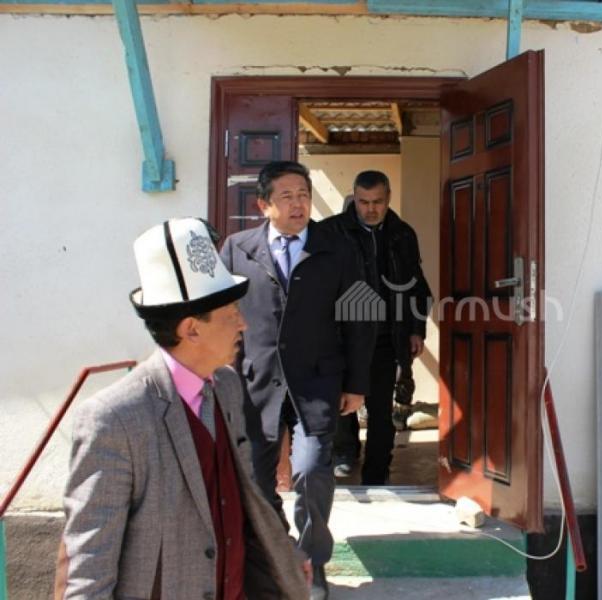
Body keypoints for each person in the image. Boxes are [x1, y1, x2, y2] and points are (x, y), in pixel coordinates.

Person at [57, 218, 309, 599]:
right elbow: (89, 567)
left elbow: (243, 496)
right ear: (191, 329)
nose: (243, 324)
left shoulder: (226, 387)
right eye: (231, 313)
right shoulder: (114, 419)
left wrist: (283, 552)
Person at [220, 161, 374, 600]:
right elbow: (223, 317)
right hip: (256, 383)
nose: (298, 204)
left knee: (311, 472)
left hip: (317, 383)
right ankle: (279, 555)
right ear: (263, 205)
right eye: (286, 197)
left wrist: (356, 384)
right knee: (256, 481)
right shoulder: (237, 249)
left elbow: (361, 318)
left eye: (303, 195)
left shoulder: (338, 247)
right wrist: (222, 377)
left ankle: (312, 561)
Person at [323, 170, 432, 485]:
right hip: (342, 337)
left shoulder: (402, 234)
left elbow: (416, 287)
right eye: (363, 202)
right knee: (342, 402)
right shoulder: (331, 232)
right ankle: (345, 453)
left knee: (381, 411)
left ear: (388, 199)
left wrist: (416, 329)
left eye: (377, 202)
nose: (370, 209)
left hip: (386, 337)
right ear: (354, 198)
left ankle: (377, 473)